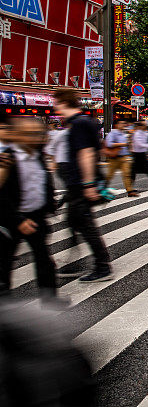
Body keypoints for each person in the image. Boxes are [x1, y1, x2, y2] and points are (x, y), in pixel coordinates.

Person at [53, 88, 113, 282]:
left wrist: (88, 184)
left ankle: (102, 266)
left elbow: (86, 154)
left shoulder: (78, 124)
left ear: (63, 102)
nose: (55, 107)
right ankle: (81, 264)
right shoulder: (87, 122)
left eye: (56, 103)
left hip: (80, 184)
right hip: (78, 184)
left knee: (85, 224)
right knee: (75, 221)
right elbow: (98, 149)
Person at [0, 116, 61, 304]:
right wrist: (17, 220)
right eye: (29, 134)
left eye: (37, 134)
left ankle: (49, 298)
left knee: (44, 259)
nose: (34, 138)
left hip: (36, 217)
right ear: (17, 135)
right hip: (11, 220)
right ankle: (5, 304)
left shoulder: (38, 155)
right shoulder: (6, 158)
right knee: (4, 262)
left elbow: (44, 182)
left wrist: (50, 205)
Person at [105, 119, 137, 197]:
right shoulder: (112, 133)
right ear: (116, 125)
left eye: (124, 123)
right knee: (109, 175)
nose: (124, 125)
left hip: (124, 157)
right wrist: (122, 144)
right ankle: (101, 188)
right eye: (122, 123)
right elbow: (109, 144)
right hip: (114, 158)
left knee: (127, 174)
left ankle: (130, 191)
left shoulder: (123, 133)